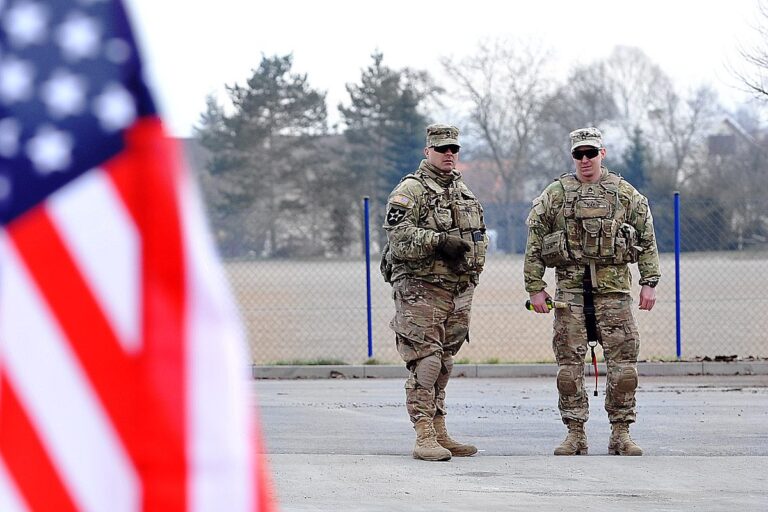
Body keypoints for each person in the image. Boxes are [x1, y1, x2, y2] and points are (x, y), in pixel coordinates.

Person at [523, 127, 660, 456]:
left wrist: (649, 281)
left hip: (614, 292)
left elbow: (646, 236)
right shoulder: (556, 194)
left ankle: (621, 432)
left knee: (624, 368)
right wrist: (535, 287)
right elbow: (535, 242)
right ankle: (575, 432)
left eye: (591, 153)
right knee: (568, 370)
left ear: (603, 153)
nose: (585, 160)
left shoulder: (624, 194)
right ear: (573, 157)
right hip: (569, 293)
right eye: (579, 154)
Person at [381, 123, 488, 461]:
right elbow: (398, 240)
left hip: (456, 289)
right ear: (428, 151)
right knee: (426, 361)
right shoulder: (410, 191)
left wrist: (471, 274)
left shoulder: (462, 191)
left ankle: (440, 429)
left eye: (453, 149)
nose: (449, 154)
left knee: (443, 361)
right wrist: (439, 241)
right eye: (442, 149)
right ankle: (423, 433)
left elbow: (477, 237)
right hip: (420, 288)